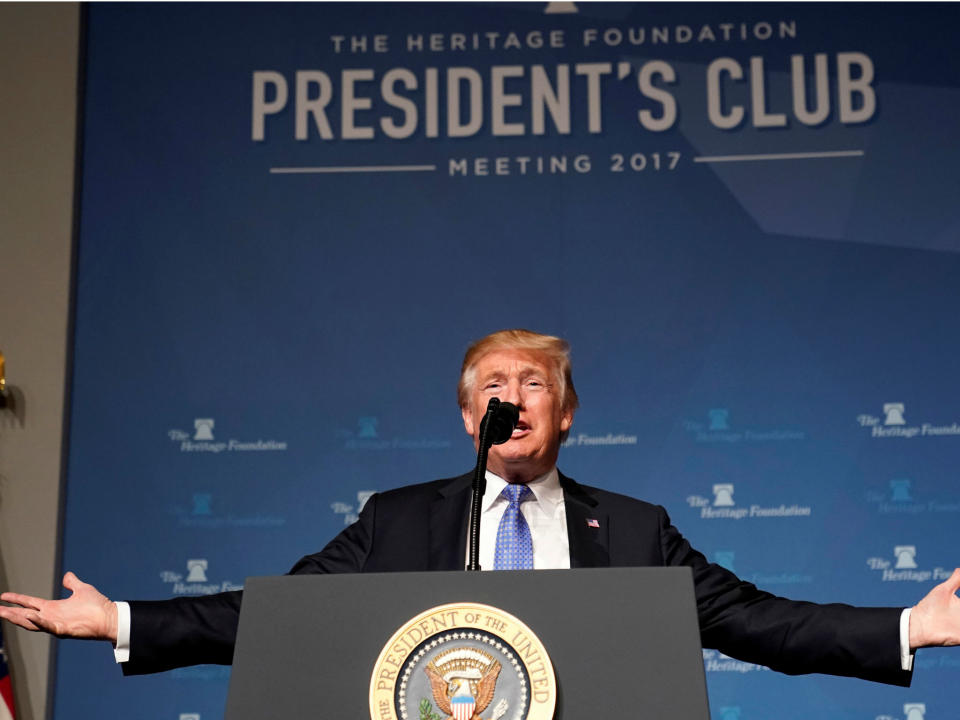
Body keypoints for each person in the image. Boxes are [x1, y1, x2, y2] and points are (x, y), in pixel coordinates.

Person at [2, 329, 960, 681]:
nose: (514, 393)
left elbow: (756, 622)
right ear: (469, 414)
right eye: (493, 382)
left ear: (567, 413)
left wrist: (906, 626)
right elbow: (275, 618)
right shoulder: (398, 521)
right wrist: (123, 619)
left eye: (534, 381)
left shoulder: (630, 529)